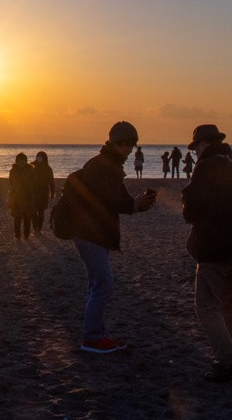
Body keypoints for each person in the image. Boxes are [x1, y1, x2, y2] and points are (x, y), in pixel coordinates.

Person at [66, 121, 156, 354]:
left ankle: (97, 334)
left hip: (93, 232)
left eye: (132, 144)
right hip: (90, 232)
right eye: (124, 144)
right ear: (114, 143)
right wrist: (134, 204)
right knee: (104, 285)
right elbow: (105, 201)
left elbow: (115, 198)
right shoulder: (102, 166)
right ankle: (93, 338)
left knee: (97, 284)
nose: (128, 149)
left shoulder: (108, 165)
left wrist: (136, 204)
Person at [182, 124, 232, 383]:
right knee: (231, 304)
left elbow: (191, 210)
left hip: (216, 248)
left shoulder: (206, 167)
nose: (195, 153)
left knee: (206, 305)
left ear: (202, 144)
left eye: (195, 148)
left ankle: (228, 362)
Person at [8, 153, 37, 240]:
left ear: (25, 161)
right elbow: (11, 181)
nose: (21, 162)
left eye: (22, 160)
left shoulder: (30, 170)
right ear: (16, 161)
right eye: (19, 160)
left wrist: (29, 188)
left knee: (27, 218)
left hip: (27, 196)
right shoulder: (13, 170)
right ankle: (17, 236)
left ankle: (26, 235)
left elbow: (34, 181)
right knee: (17, 217)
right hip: (17, 196)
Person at [31, 150, 56, 235]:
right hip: (34, 192)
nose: (39, 158)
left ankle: (39, 229)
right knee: (34, 211)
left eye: (40, 157)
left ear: (44, 158)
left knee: (41, 211)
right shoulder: (33, 168)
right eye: (38, 156)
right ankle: (35, 228)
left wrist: (52, 194)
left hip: (43, 192)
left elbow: (51, 182)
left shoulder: (48, 169)